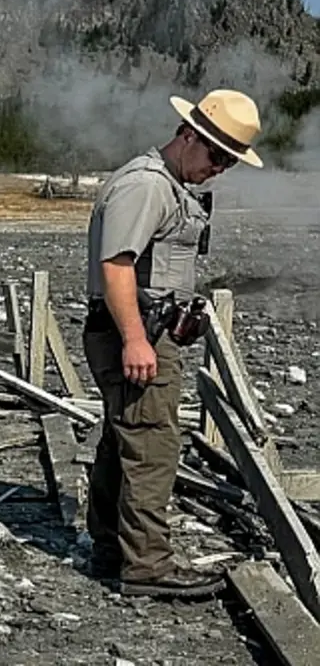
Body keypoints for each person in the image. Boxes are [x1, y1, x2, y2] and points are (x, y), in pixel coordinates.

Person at [82, 88, 263, 599]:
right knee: (153, 444)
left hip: (143, 328)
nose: (220, 167)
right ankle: (147, 567)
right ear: (188, 135)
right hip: (134, 331)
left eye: (230, 160)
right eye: (217, 155)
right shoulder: (147, 186)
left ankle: (112, 550)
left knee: (126, 439)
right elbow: (117, 266)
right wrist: (136, 339)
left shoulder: (166, 186)